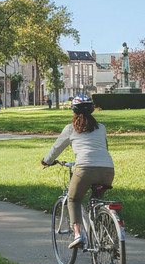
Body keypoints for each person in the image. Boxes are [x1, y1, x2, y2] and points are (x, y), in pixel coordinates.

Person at [40, 95, 114, 249]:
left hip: (84, 170)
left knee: (74, 199)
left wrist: (46, 161)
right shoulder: (101, 128)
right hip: (107, 170)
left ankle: (78, 234)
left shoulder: (70, 129)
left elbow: (56, 149)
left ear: (73, 110)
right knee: (96, 201)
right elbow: (104, 148)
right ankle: (103, 231)